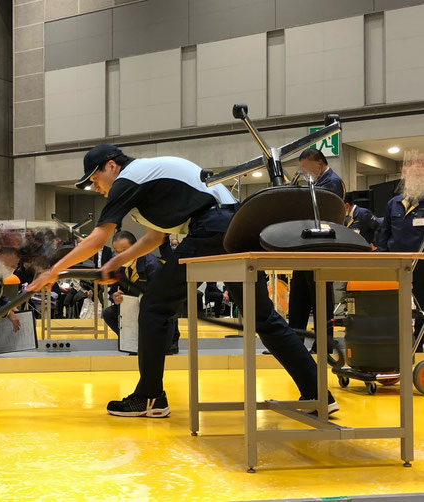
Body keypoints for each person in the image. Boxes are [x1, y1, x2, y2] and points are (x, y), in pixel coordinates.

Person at [29, 144, 337, 418]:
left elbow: (98, 237)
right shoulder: (149, 180)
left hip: (211, 229)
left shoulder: (129, 178)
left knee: (154, 306)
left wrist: (53, 271)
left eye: (95, 179)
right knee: (262, 318)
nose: (96, 188)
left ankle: (149, 396)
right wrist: (117, 261)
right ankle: (318, 392)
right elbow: (156, 237)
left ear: (112, 166)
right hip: (235, 228)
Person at [289, 148, 345, 354]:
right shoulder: (315, 183)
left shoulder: (331, 183)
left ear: (319, 164)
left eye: (306, 167)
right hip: (306, 247)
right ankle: (294, 343)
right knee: (299, 296)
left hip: (320, 246)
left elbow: (322, 212)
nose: (302, 171)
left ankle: (324, 343)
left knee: (320, 297)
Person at [377, 151, 424, 351]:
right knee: (394, 307)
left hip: (421, 265)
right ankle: (395, 343)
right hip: (395, 264)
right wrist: (380, 258)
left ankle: (418, 344)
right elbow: (384, 234)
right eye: (412, 175)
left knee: (422, 307)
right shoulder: (393, 204)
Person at [103, 230, 180, 352]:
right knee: (108, 313)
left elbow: (164, 298)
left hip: (154, 309)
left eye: (124, 251)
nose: (120, 255)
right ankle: (131, 340)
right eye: (116, 251)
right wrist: (115, 297)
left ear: (135, 248)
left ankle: (169, 342)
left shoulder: (152, 265)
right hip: (133, 308)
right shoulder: (117, 267)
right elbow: (112, 292)